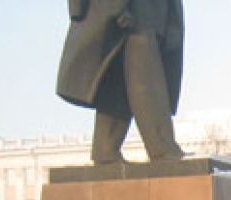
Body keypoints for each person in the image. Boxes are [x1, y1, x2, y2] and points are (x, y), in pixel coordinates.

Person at [57, 0, 186, 163]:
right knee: (144, 73)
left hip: (156, 17)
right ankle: (163, 147)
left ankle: (106, 148)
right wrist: (112, 7)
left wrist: (172, 22)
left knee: (119, 79)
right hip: (131, 14)